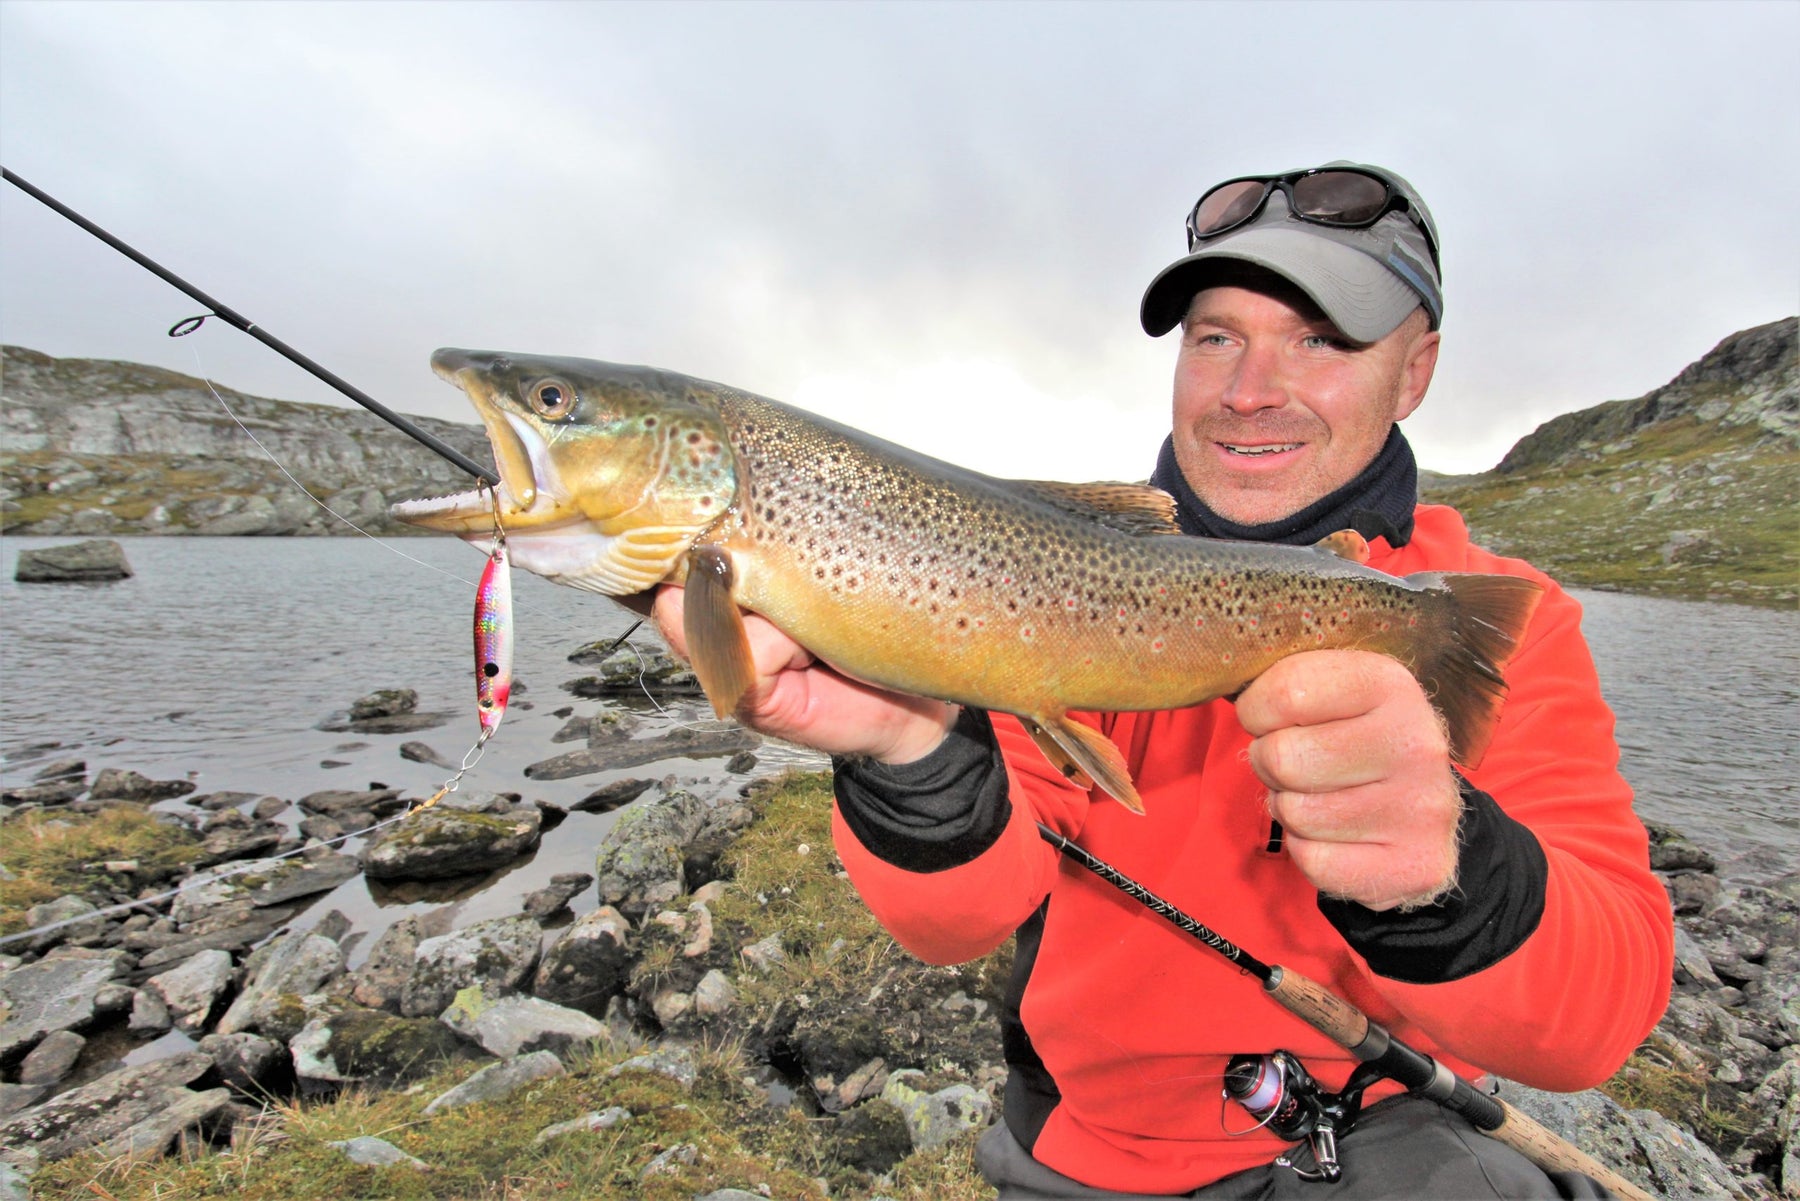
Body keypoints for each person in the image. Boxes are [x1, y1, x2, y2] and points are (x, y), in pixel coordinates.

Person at [651, 161, 1674, 1198]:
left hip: (1380, 1132)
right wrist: (907, 748)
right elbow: (957, 916)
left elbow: (1596, 1021)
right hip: (1089, 1151)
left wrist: (1442, 875)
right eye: (1215, 337)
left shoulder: (1488, 614)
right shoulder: (1046, 578)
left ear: (1415, 373)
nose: (1248, 390)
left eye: (1319, 340)